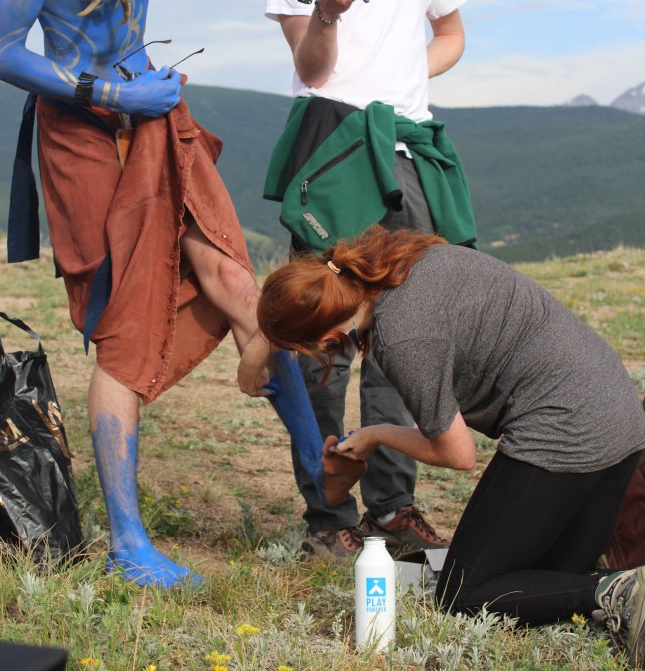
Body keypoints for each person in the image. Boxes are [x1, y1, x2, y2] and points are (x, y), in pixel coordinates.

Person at [0, 0, 362, 588]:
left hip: (156, 117)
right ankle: (127, 544)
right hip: (85, 133)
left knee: (236, 280)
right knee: (124, 329)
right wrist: (107, 92)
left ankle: (324, 484)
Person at [256, 226, 645, 667]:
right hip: (621, 417)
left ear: (324, 339)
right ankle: (622, 590)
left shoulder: (401, 335)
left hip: (565, 427)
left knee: (464, 593)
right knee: (546, 583)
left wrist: (375, 435)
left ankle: (619, 592)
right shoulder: (405, 258)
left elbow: (458, 454)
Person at [263, 0, 476, 560]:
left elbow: (451, 31)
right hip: (332, 143)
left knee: (401, 332)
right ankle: (327, 516)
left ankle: (392, 510)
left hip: (404, 148)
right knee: (323, 334)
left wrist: (404, 71)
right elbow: (311, 67)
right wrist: (326, 12)